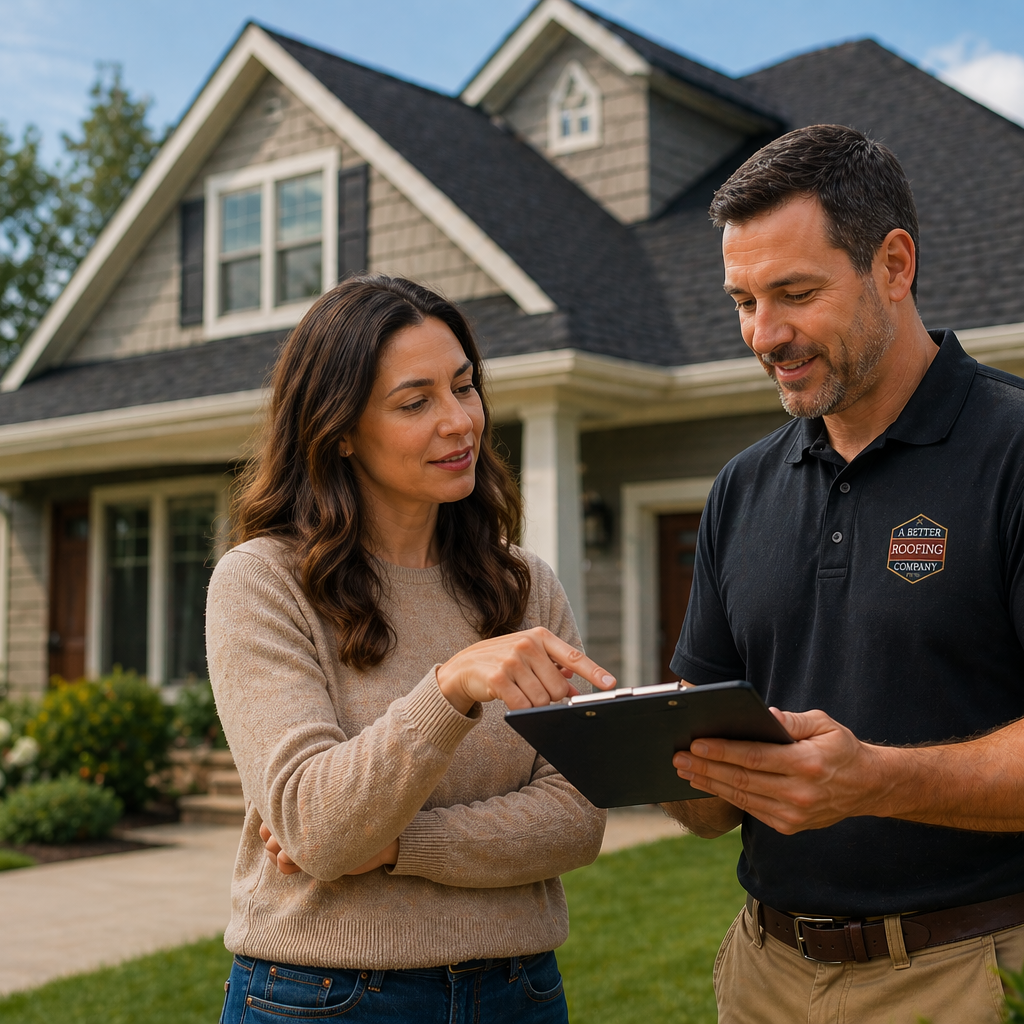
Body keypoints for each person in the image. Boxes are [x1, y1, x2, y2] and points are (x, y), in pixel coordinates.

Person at [663, 124, 1024, 1024]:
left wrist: (878, 779)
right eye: (742, 299)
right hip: (764, 974)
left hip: (967, 973)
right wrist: (640, 747)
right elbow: (705, 808)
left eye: (794, 293)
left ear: (894, 264)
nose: (764, 334)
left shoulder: (1012, 453)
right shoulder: (741, 489)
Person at [207, 274, 615, 1024]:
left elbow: (577, 818)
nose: (460, 421)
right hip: (325, 998)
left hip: (518, 992)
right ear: (339, 431)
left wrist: (397, 847)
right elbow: (316, 826)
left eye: (464, 387)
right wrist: (449, 687)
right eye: (415, 401)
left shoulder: (526, 587)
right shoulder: (262, 584)